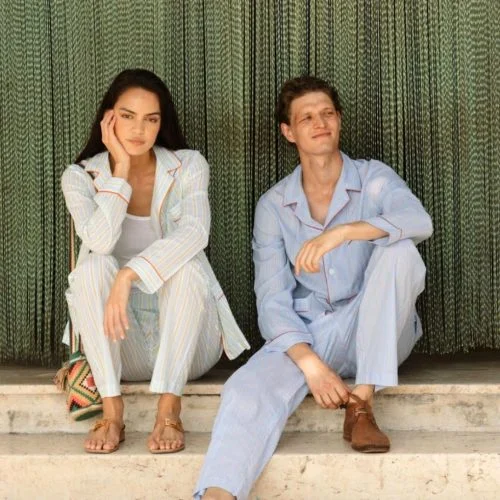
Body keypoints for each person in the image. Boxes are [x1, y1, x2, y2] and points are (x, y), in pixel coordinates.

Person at [194, 75, 433, 499]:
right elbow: (272, 299)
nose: (320, 123)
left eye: (327, 113)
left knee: (400, 252)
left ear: (339, 120)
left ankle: (361, 403)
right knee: (245, 388)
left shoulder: (374, 178)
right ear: (289, 132)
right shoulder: (274, 205)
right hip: (312, 332)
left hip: (376, 324)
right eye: (306, 118)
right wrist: (311, 364)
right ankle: (218, 494)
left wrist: (344, 232)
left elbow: (419, 222)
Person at [61, 68, 249, 454]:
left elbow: (195, 233)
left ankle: (169, 408)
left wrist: (128, 275)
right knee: (92, 268)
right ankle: (112, 411)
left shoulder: (188, 165)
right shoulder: (81, 176)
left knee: (188, 267)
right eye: (127, 116)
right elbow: (99, 240)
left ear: (162, 123)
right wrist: (121, 171)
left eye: (151, 119)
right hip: (119, 344)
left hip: (187, 344)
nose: (138, 129)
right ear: (108, 119)